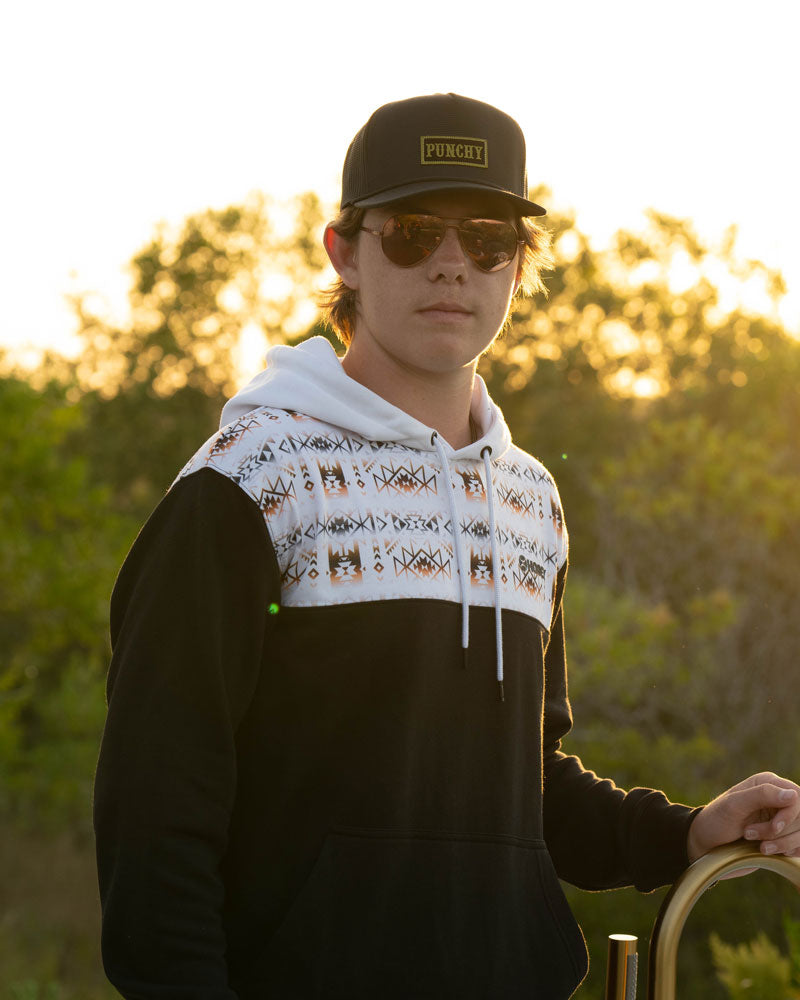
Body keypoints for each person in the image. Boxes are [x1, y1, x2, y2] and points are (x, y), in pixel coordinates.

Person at [93, 93, 800, 1000]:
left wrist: (689, 833)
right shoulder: (247, 483)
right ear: (345, 252)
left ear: (518, 267)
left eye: (489, 241)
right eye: (415, 232)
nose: (452, 266)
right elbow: (156, 814)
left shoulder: (528, 501)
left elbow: (524, 789)